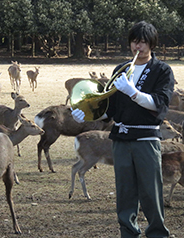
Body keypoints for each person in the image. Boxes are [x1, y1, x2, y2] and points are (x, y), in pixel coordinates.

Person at [72, 21, 175, 238]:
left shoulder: (162, 70)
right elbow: (111, 109)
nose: (138, 46)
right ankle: (128, 233)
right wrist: (87, 114)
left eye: (144, 42)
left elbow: (159, 103)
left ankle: (157, 233)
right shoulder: (120, 69)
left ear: (152, 44)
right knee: (125, 192)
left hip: (146, 139)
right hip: (120, 139)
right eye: (135, 41)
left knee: (151, 192)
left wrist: (132, 91)